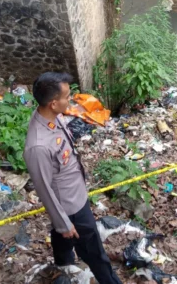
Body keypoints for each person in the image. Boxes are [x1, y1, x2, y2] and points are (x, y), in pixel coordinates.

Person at [23, 72, 122, 284]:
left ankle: (63, 261)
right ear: (52, 103)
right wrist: (64, 222)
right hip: (72, 207)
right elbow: (44, 189)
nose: (71, 100)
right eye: (67, 96)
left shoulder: (51, 116)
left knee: (62, 235)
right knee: (95, 253)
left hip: (74, 191)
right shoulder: (38, 146)